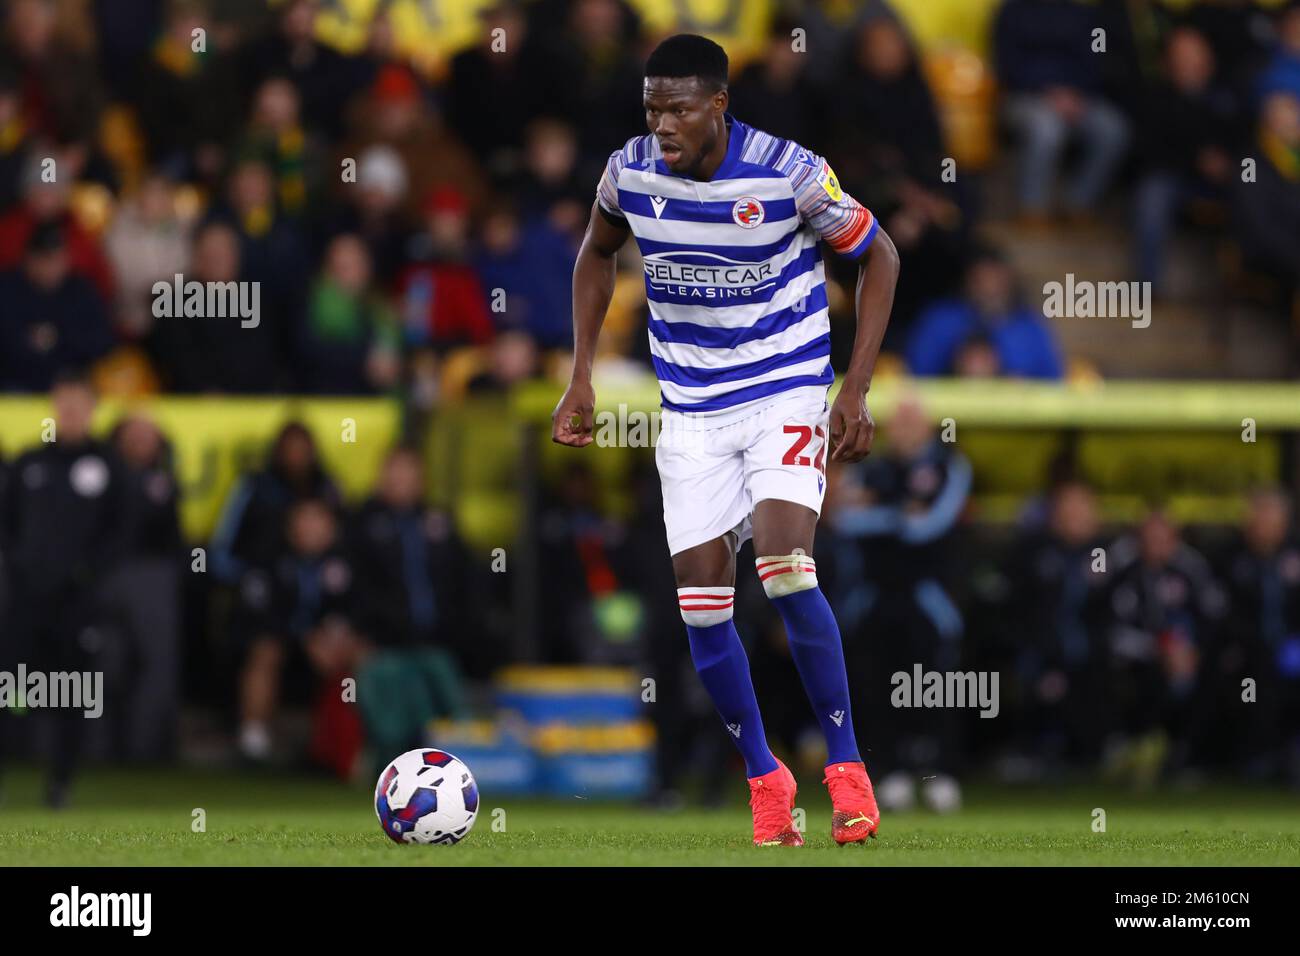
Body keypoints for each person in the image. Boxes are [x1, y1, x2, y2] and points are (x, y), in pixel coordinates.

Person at [550, 35, 900, 846]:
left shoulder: (789, 172)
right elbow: (596, 253)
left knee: (782, 566)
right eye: (651, 107)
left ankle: (847, 773)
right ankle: (764, 779)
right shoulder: (627, 171)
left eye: (677, 108)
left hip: (784, 389)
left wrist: (855, 386)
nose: (661, 123)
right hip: (693, 413)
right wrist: (582, 373)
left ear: (718, 107)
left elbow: (876, 255)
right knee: (703, 608)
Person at [0, 370, 130, 806]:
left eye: (78, 405)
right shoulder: (29, 462)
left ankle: (60, 782)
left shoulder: (110, 467)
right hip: (26, 599)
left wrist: (87, 572)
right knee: (11, 689)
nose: (70, 413)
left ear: (92, 410)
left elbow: (122, 530)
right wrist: (19, 565)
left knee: (71, 690)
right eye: (63, 404)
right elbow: (8, 522)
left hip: (77, 603)